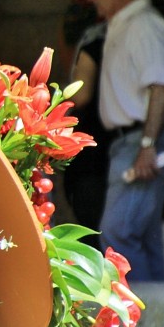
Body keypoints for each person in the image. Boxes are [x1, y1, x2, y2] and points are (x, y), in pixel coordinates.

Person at [87, 0, 164, 281]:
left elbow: (162, 85)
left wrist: (148, 145)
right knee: (143, 235)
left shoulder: (143, 25)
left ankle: (142, 325)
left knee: (119, 233)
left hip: (143, 141)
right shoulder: (129, 24)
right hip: (134, 141)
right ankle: (159, 325)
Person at [63, 21, 110, 250]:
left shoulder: (94, 49)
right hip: (111, 148)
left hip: (92, 157)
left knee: (92, 225)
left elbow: (79, 95)